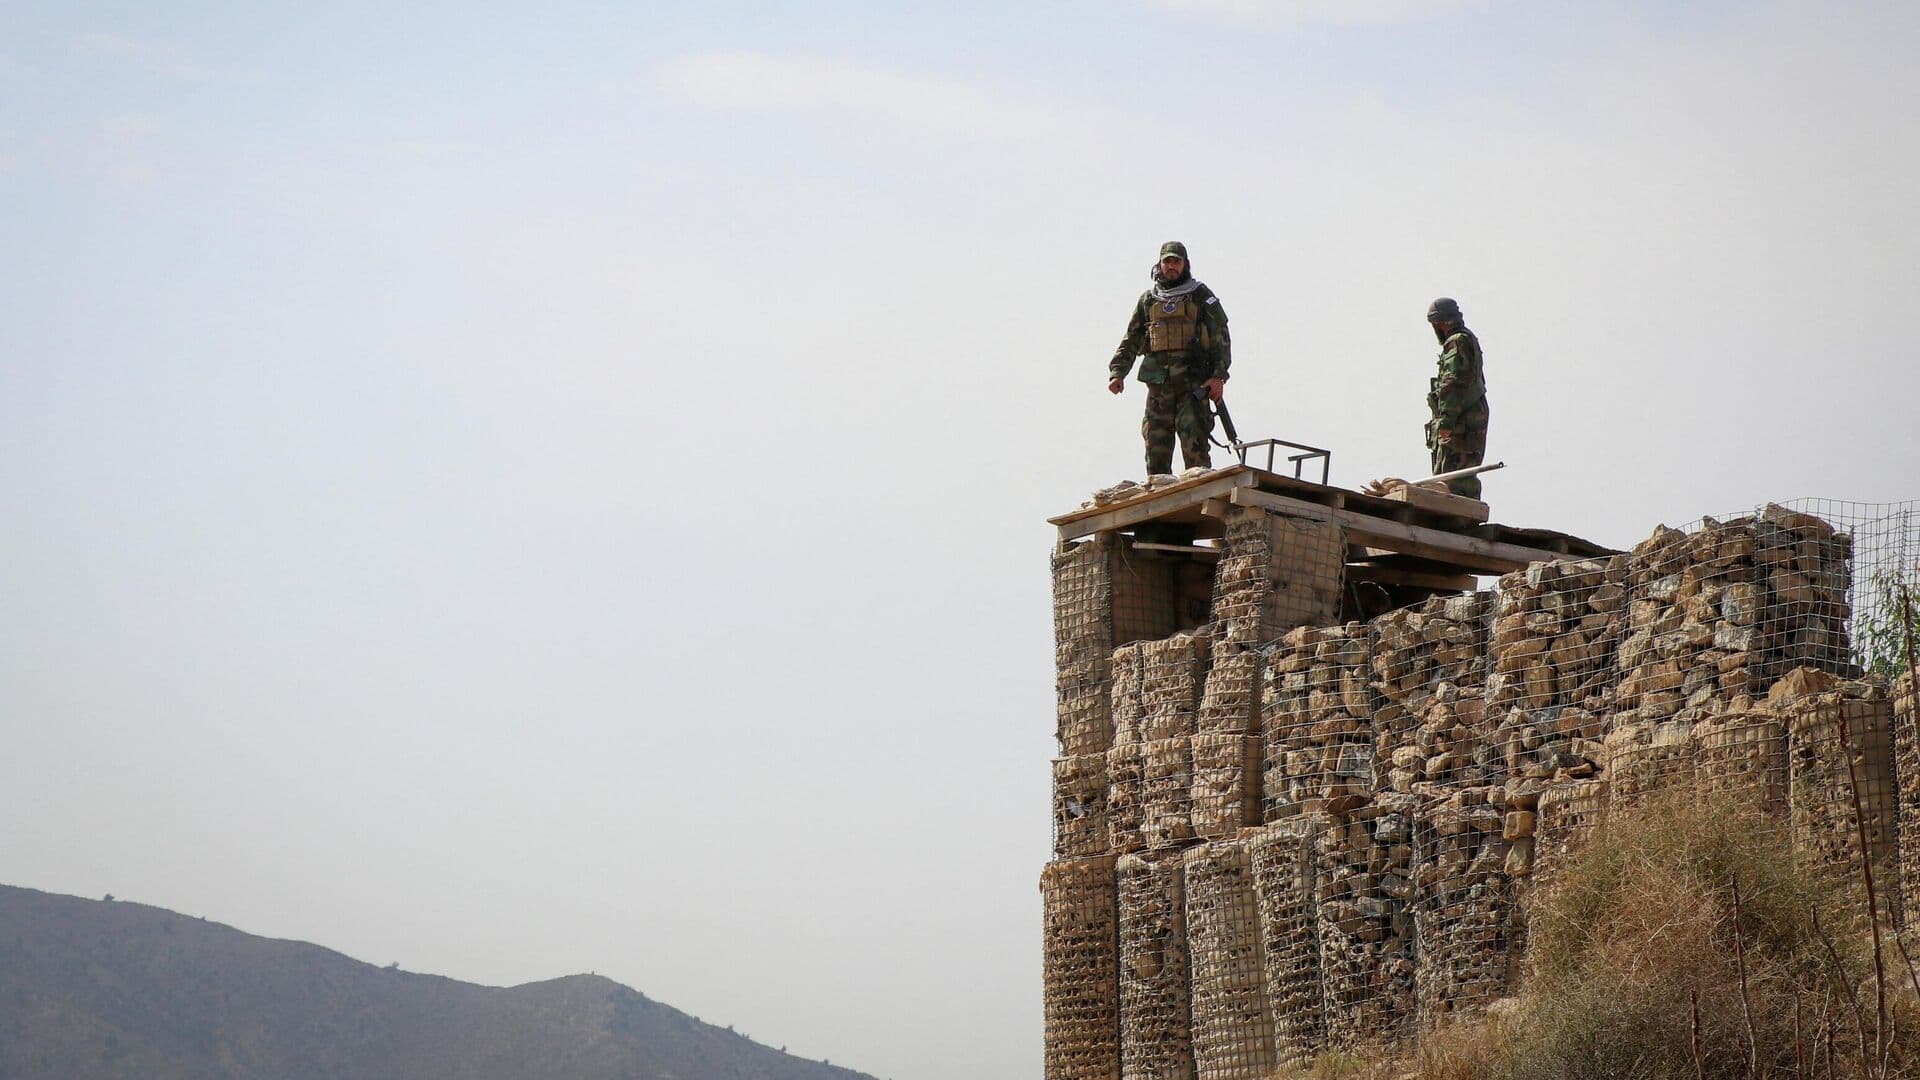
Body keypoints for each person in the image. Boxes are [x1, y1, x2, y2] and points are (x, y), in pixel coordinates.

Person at [1108, 241, 1231, 477]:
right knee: (1155, 452)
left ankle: (1199, 496)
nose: (1171, 266)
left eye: (1176, 261)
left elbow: (1220, 337)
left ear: (1185, 264)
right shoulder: (1149, 300)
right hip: (1159, 388)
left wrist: (1218, 376)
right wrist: (1118, 373)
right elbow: (1132, 338)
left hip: (1192, 386)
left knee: (1195, 453)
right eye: (1167, 261)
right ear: (1160, 264)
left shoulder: (1200, 295)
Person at [1424, 296, 1491, 499]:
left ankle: (1452, 511)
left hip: (1461, 420)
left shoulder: (1456, 341)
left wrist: (1446, 421)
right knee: (1465, 471)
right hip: (1471, 416)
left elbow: (1452, 384)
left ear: (1440, 323)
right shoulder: (1468, 339)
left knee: (1451, 476)